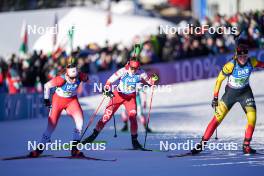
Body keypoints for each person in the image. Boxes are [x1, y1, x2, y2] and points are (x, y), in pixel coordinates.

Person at [82, 45, 159, 150]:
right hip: (118, 95)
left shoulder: (141, 72)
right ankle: (92, 136)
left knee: (133, 117)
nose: (133, 70)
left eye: (135, 68)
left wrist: (153, 80)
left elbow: (149, 82)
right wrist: (106, 88)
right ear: (129, 66)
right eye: (132, 68)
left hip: (130, 98)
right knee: (106, 117)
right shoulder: (123, 70)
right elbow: (110, 80)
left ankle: (135, 141)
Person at [192, 44, 264, 154]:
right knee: (217, 120)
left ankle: (246, 146)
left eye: (245, 56)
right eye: (240, 57)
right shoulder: (230, 65)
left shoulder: (252, 61)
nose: (243, 59)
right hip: (230, 94)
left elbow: (262, 64)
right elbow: (219, 80)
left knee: (252, 118)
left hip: (245, 93)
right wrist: (215, 97)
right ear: (236, 56)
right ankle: (201, 145)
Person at [29, 58, 89, 157]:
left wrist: (101, 87)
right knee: (50, 127)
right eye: (72, 78)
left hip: (72, 101)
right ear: (67, 74)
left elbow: (89, 80)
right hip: (58, 101)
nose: (74, 80)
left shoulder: (80, 76)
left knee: (80, 122)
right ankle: (39, 150)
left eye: (76, 77)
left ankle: (74, 149)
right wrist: (46, 99)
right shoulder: (60, 79)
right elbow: (46, 86)